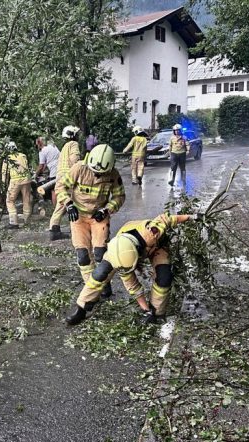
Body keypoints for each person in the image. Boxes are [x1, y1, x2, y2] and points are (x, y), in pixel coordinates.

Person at [65, 212, 203, 326]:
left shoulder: (152, 231)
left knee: (164, 277)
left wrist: (192, 217)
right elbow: (132, 284)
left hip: (157, 246)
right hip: (124, 248)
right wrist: (144, 309)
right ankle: (81, 309)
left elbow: (168, 219)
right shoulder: (116, 254)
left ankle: (157, 313)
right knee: (99, 274)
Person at [58, 144, 125, 298]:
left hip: (98, 216)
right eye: (94, 172)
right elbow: (61, 186)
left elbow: (119, 196)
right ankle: (91, 287)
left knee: (101, 254)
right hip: (79, 217)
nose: (97, 176)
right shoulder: (79, 168)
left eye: (101, 174)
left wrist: (107, 209)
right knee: (83, 255)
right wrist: (68, 204)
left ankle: (104, 282)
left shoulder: (113, 175)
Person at [49, 126, 83, 241]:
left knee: (61, 203)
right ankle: (78, 228)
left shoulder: (64, 146)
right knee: (73, 201)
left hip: (60, 176)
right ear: (73, 135)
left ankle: (54, 229)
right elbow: (74, 161)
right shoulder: (74, 144)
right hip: (68, 176)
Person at [3, 141, 32, 229]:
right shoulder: (23, 156)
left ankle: (13, 222)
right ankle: (27, 221)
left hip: (15, 181)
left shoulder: (7, 158)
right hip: (26, 180)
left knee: (10, 200)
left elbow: (4, 173)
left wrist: (4, 184)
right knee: (26, 200)